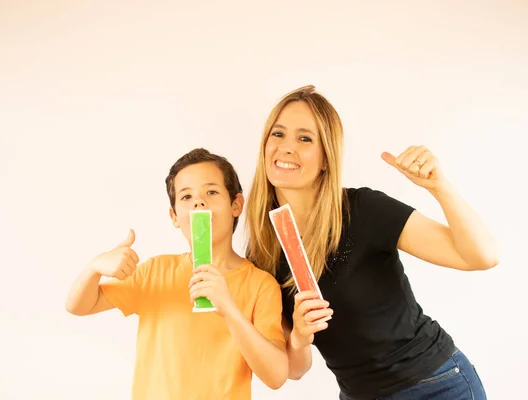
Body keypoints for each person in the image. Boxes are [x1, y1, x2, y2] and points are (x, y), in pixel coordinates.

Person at [245, 85, 497, 400]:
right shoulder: (263, 252)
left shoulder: (364, 209)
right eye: (278, 134)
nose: (286, 147)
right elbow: (295, 369)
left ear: (326, 158)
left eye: (305, 138)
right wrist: (299, 335)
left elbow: (481, 256)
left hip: (434, 385)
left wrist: (439, 187)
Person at [65, 148, 288, 400]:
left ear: (236, 204)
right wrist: (94, 268)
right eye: (186, 196)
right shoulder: (155, 273)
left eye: (211, 192)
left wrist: (230, 310)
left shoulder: (261, 285)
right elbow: (78, 306)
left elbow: (277, 376)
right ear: (174, 217)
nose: (198, 202)